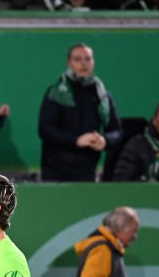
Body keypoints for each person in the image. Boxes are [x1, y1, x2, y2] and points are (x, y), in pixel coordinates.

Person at [38, 43, 122, 182]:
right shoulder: (55, 93)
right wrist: (76, 140)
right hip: (55, 170)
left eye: (87, 59)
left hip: (87, 170)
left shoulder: (102, 95)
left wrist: (105, 140)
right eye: (78, 59)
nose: (83, 63)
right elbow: (45, 129)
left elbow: (117, 131)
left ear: (93, 62)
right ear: (69, 63)